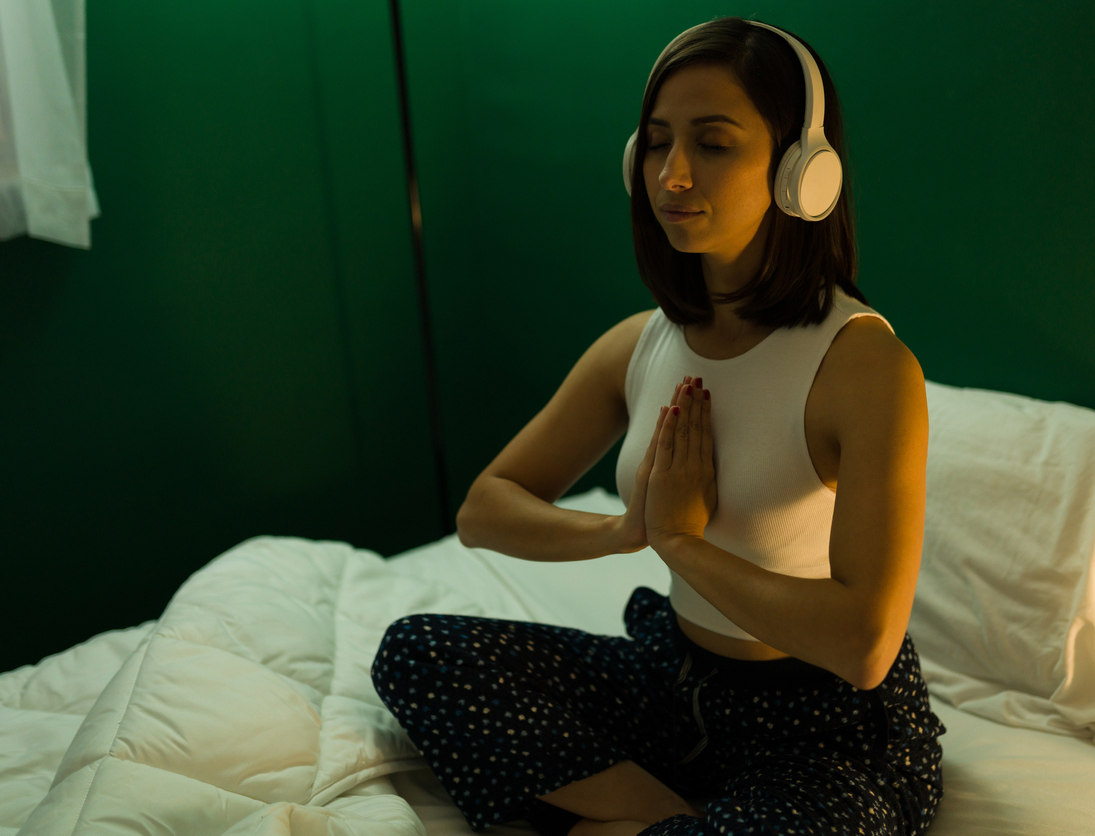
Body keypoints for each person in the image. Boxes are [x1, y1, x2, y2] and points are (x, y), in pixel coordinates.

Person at [371, 15, 946, 836]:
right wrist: (629, 532)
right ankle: (665, 819)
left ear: (800, 171)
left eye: (712, 144)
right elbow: (484, 510)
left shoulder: (864, 369)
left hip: (819, 733)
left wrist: (684, 546)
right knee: (419, 652)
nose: (671, 175)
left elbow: (863, 646)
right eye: (654, 144)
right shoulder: (638, 346)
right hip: (673, 681)